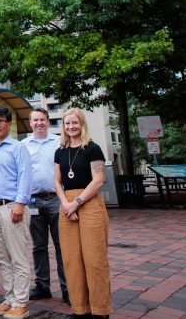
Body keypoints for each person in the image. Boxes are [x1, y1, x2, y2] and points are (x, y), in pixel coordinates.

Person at [54, 108, 111, 319]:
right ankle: (80, 310)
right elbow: (57, 181)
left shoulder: (93, 148)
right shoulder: (60, 151)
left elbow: (98, 180)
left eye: (74, 123)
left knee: (95, 260)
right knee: (72, 260)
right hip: (67, 206)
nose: (71, 127)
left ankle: (100, 311)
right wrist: (66, 205)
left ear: (82, 124)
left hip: (88, 204)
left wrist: (76, 203)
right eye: (67, 124)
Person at [0, 107, 32, 319]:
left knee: (17, 257)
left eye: (1, 121)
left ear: (8, 124)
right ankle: (9, 298)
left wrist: (20, 203)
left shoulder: (18, 148)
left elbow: (25, 177)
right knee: (1, 257)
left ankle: (21, 302)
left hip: (13, 207)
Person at [24, 108, 69, 304]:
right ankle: (43, 286)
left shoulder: (60, 142)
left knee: (62, 246)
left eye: (42, 119)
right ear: (30, 122)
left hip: (56, 200)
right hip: (33, 201)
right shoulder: (23, 145)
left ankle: (67, 287)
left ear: (48, 121)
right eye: (35, 120)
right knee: (38, 246)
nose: (39, 123)